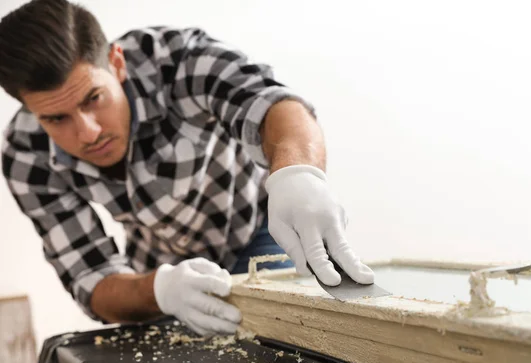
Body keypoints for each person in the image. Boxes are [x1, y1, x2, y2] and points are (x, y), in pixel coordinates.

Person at [0, 0, 374, 335]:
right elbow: (90, 276)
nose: (88, 133)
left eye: (94, 98)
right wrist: (160, 291)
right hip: (164, 269)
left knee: (290, 340)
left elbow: (271, 104)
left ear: (116, 63)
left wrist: (299, 174)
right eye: (56, 119)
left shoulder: (177, 59)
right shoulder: (24, 153)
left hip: (256, 228)